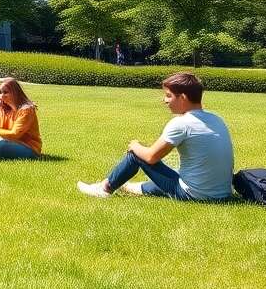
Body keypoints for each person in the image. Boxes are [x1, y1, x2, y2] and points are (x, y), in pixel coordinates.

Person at [77, 72, 233, 200]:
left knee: (136, 155)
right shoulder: (216, 118)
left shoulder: (182, 123)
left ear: (183, 97)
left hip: (195, 195)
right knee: (173, 174)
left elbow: (151, 157)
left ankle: (105, 189)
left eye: (168, 95)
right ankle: (127, 186)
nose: (164, 100)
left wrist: (135, 146)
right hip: (222, 194)